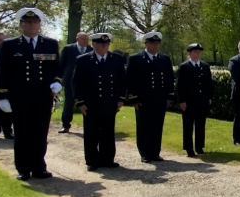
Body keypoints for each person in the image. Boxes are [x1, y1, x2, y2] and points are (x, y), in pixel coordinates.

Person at [0, 8, 62, 181]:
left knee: (40, 133)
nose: (31, 25)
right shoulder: (10, 45)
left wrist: (57, 81)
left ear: (39, 25)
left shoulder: (50, 43)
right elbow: (2, 72)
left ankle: (39, 166)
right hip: (20, 97)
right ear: (21, 25)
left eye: (35, 22)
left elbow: (57, 68)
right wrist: (2, 96)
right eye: (27, 22)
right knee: (23, 133)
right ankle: (23, 168)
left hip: (42, 97)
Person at [73, 33, 126, 171]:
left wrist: (121, 98)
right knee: (91, 133)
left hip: (110, 101)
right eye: (101, 44)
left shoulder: (117, 59)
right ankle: (92, 160)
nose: (104, 46)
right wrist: (80, 102)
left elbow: (122, 81)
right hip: (91, 103)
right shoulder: (83, 60)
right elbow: (77, 83)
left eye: (106, 44)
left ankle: (108, 159)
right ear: (94, 45)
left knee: (108, 132)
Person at [125, 32, 175, 163]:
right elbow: (130, 81)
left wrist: (169, 96)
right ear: (146, 43)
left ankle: (155, 152)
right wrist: (133, 98)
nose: (155, 45)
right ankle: (145, 153)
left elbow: (170, 79)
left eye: (157, 43)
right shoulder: (135, 59)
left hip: (160, 99)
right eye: (152, 43)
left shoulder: (164, 59)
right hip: (143, 100)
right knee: (143, 127)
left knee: (157, 127)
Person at [176, 43, 213, 157]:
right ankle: (188, 148)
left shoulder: (205, 66)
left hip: (202, 100)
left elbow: (209, 84)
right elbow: (180, 85)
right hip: (189, 101)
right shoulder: (184, 67)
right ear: (190, 53)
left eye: (198, 52)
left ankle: (199, 146)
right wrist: (181, 100)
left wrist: (210, 97)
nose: (197, 54)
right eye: (195, 52)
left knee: (200, 124)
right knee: (188, 125)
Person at [58, 31, 90, 133]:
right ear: (77, 39)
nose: (85, 41)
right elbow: (61, 64)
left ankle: (89, 126)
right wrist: (60, 78)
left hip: (86, 82)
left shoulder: (91, 49)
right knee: (69, 103)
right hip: (70, 81)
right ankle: (66, 125)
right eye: (83, 39)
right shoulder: (68, 49)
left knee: (88, 103)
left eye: (86, 39)